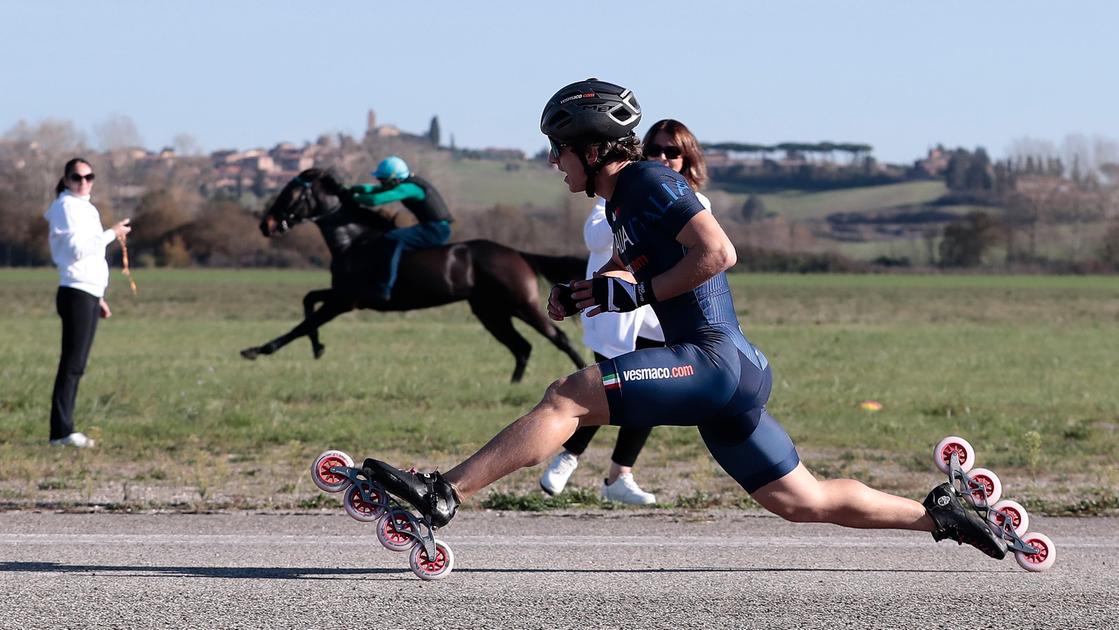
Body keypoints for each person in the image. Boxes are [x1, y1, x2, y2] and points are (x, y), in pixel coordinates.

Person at [359, 79, 1007, 564]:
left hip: (712, 360)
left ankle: (443, 493)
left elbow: (716, 253)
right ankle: (943, 517)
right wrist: (586, 293)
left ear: (589, 147)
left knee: (568, 396)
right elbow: (638, 277)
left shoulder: (647, 182)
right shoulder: (620, 205)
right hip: (730, 375)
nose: (553, 163)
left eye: (558, 150)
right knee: (798, 502)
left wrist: (634, 288)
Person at [539, 119, 712, 505]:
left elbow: (714, 254)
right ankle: (569, 454)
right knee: (609, 388)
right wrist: (628, 206)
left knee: (649, 394)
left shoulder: (696, 204)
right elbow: (598, 240)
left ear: (688, 159)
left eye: (673, 152)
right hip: (616, 310)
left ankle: (620, 474)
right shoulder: (611, 196)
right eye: (655, 151)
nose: (663, 159)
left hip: (658, 311)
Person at [43, 158, 131, 448]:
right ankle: (61, 431)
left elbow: (91, 257)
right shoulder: (67, 207)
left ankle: (64, 429)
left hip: (88, 292)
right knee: (72, 363)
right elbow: (78, 250)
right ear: (66, 179)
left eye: (88, 177)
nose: (83, 182)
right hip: (75, 291)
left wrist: (99, 296)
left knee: (77, 363)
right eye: (77, 177)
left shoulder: (84, 207)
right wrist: (112, 234)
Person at [347, 156, 454, 301]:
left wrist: (353, 198)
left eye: (383, 179)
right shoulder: (404, 182)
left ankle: (384, 288)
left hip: (435, 230)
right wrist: (352, 189)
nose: (380, 182)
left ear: (394, 179)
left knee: (392, 238)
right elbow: (375, 189)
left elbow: (375, 199)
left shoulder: (409, 188)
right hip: (432, 227)